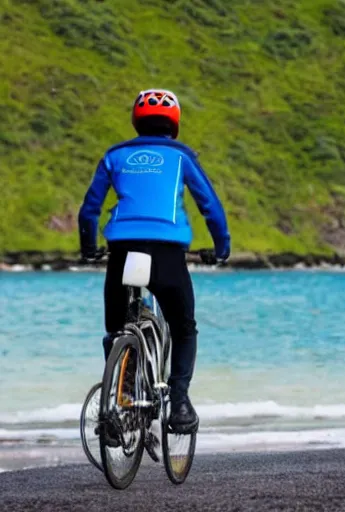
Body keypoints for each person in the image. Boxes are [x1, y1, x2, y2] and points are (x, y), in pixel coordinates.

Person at [78, 89, 231, 434]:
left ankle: (118, 402)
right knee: (183, 327)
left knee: (116, 329)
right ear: (174, 124)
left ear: (136, 121)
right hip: (167, 253)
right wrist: (221, 247)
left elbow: (89, 209)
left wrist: (89, 247)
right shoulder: (180, 155)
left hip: (121, 251)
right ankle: (179, 405)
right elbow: (211, 207)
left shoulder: (115, 155)